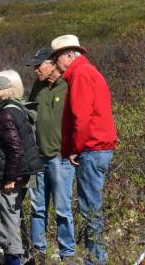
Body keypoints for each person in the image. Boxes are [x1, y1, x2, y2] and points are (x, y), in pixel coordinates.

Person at [52, 35, 118, 264]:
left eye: (56, 56)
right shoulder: (88, 72)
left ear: (69, 54)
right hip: (99, 148)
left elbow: (81, 117)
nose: (55, 62)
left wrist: (74, 149)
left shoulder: (79, 74)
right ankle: (96, 256)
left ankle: (96, 259)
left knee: (90, 208)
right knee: (92, 206)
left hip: (91, 148)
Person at [0, 70, 44, 265]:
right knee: (11, 221)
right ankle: (14, 259)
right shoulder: (17, 110)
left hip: (7, 178)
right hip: (15, 175)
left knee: (8, 225)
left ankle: (15, 260)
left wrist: (9, 178)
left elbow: (15, 149)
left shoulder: (4, 115)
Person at [26, 47, 77, 263]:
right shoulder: (37, 86)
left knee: (63, 208)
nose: (36, 70)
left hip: (61, 157)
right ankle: (38, 251)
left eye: (39, 65)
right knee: (37, 208)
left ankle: (67, 253)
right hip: (38, 156)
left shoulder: (69, 85)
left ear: (53, 64)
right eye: (34, 66)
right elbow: (29, 115)